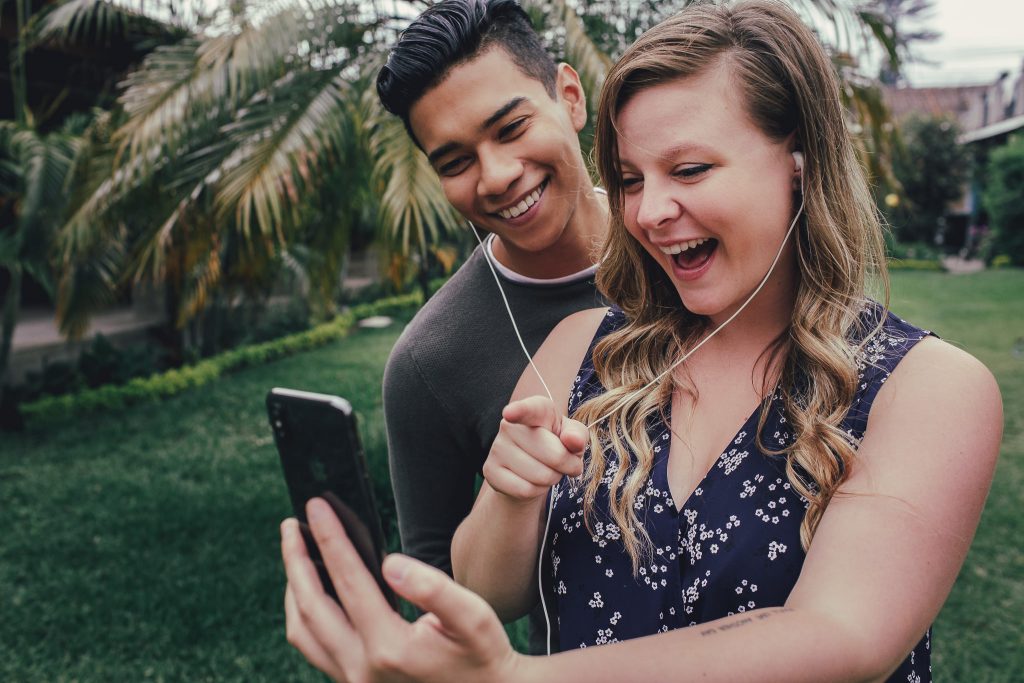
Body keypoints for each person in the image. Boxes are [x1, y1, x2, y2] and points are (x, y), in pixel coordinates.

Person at [280, 2, 1002, 681]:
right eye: (628, 179)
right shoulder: (578, 347)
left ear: (799, 158)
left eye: (689, 169)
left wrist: (517, 677)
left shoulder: (927, 385)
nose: (650, 212)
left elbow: (843, 635)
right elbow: (478, 585)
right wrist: (508, 488)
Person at [375, 0, 607, 604]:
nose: (497, 175)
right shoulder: (429, 365)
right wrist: (507, 499)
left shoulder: (691, 251)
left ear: (570, 97)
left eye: (511, 128)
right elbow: (439, 594)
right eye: (455, 162)